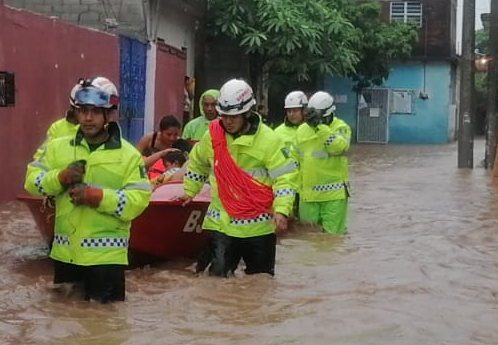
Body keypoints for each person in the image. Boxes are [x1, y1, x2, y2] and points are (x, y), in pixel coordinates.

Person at [24, 79, 151, 302]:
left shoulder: (129, 155)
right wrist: (60, 178)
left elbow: (138, 201)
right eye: (83, 111)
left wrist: (98, 197)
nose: (88, 118)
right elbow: (31, 182)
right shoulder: (56, 147)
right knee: (64, 320)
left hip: (107, 262)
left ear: (108, 114)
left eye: (95, 111)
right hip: (66, 258)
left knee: (104, 322)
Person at [180, 78, 298, 276]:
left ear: (247, 113)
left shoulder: (270, 140)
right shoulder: (212, 136)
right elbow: (198, 163)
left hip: (259, 227)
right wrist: (190, 191)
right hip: (222, 225)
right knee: (216, 282)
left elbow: (285, 178)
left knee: (260, 282)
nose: (228, 121)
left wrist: (282, 211)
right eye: (224, 115)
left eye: (234, 116)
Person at [296, 90, 352, 234]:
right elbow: (293, 160)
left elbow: (339, 148)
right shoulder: (302, 130)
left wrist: (320, 127)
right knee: (308, 240)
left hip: (333, 197)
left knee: (332, 241)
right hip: (308, 197)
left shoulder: (341, 128)